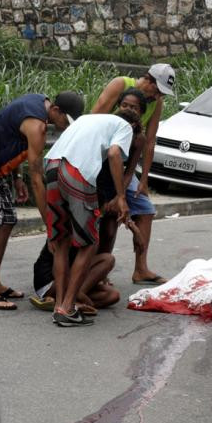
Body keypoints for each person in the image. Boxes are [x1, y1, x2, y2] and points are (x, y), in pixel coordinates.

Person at [0, 91, 83, 311]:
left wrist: (16, 177)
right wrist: (50, 226)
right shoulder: (37, 126)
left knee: (8, 219)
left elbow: (10, 136)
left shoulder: (38, 102)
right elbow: (37, 179)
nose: (65, 126)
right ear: (55, 110)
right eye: (65, 120)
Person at [43, 109, 141, 326]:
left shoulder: (89, 118)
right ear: (133, 127)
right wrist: (121, 196)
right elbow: (115, 153)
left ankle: (59, 305)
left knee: (61, 242)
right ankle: (66, 308)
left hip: (51, 165)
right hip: (77, 172)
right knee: (89, 243)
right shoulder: (124, 127)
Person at [90, 63, 177, 285]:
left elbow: (149, 140)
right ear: (147, 80)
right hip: (100, 159)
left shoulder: (155, 102)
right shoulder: (120, 85)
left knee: (145, 209)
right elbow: (92, 119)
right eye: (156, 90)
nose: (157, 96)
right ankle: (97, 272)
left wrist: (143, 179)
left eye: (161, 94)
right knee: (105, 217)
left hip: (125, 163)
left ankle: (141, 269)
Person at [30, 242, 120, 315]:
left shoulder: (91, 230)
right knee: (108, 259)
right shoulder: (64, 230)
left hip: (72, 282)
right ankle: (71, 301)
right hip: (51, 282)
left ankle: (66, 302)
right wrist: (84, 299)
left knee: (112, 295)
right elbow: (58, 272)